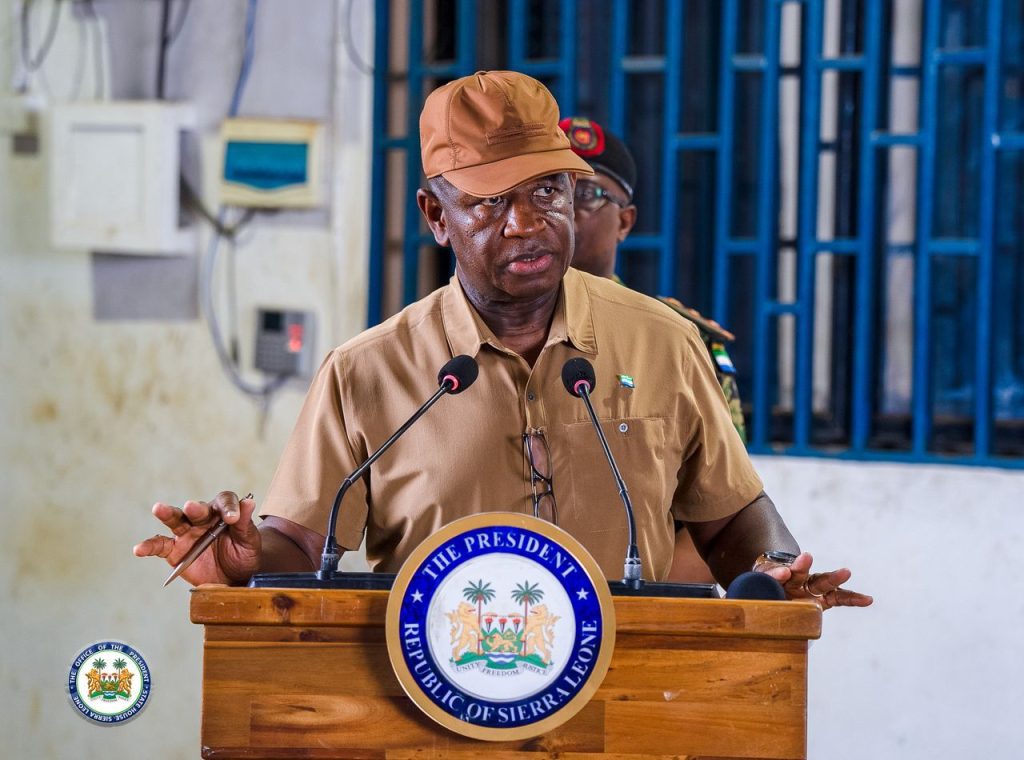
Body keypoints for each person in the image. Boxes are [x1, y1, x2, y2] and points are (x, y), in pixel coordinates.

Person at [134, 70, 871, 611]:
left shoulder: (662, 342)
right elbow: (298, 546)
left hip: (634, 694)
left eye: (549, 191)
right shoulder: (367, 373)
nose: (528, 223)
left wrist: (772, 562)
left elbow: (732, 513)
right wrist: (245, 558)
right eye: (490, 202)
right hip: (430, 700)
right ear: (434, 213)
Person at [558, 116, 743, 585]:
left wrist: (633, 615)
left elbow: (718, 510)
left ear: (625, 221)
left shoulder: (680, 341)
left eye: (588, 195)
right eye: (550, 189)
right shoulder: (473, 343)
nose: (564, 209)